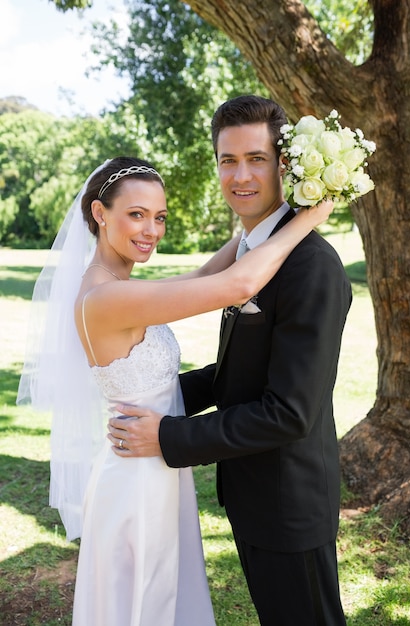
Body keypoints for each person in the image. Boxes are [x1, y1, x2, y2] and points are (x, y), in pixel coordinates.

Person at [17, 154, 334, 626]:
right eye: (137, 214)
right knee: (147, 601)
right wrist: (310, 214)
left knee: (168, 596)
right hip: (136, 481)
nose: (151, 229)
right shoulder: (105, 298)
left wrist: (264, 221)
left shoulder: (118, 285)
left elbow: (203, 277)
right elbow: (237, 284)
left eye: (160, 216)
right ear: (100, 214)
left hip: (157, 465)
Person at [107, 96, 352, 626]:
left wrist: (169, 436)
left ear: (285, 164)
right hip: (252, 495)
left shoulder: (312, 267)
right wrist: (156, 394)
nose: (240, 176)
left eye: (256, 159)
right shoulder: (250, 251)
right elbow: (236, 375)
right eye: (227, 160)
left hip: (289, 502)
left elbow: (288, 412)